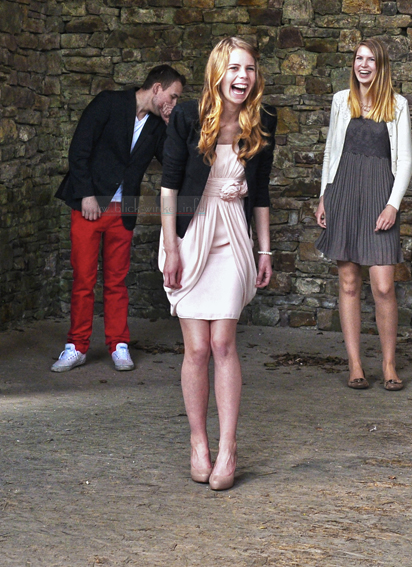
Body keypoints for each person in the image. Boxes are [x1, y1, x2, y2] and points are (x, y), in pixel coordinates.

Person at [159, 36, 276, 491]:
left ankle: (228, 447)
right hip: (190, 234)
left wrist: (265, 250)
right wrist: (172, 247)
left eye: (249, 69)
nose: (242, 76)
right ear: (217, 73)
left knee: (223, 342)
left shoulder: (263, 119)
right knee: (197, 349)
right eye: (234, 68)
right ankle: (198, 443)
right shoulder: (188, 116)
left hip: (232, 235)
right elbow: (169, 186)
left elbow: (260, 193)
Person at [51, 65, 186, 372]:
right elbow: (79, 149)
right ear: (157, 88)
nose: (174, 103)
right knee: (83, 280)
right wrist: (85, 193)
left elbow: (172, 161)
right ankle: (76, 347)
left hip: (123, 211)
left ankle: (118, 345)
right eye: (173, 96)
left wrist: (171, 125)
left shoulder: (158, 124)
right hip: (89, 206)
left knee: (116, 282)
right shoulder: (108, 103)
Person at [315, 39, 412, 392]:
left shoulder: (397, 105)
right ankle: (355, 364)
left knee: (383, 286)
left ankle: (388, 364)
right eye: (359, 58)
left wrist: (393, 205)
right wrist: (324, 196)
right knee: (348, 282)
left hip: (379, 194)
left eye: (371, 59)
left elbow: (405, 160)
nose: (364, 65)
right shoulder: (341, 100)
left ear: (381, 65)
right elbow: (331, 151)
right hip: (343, 191)